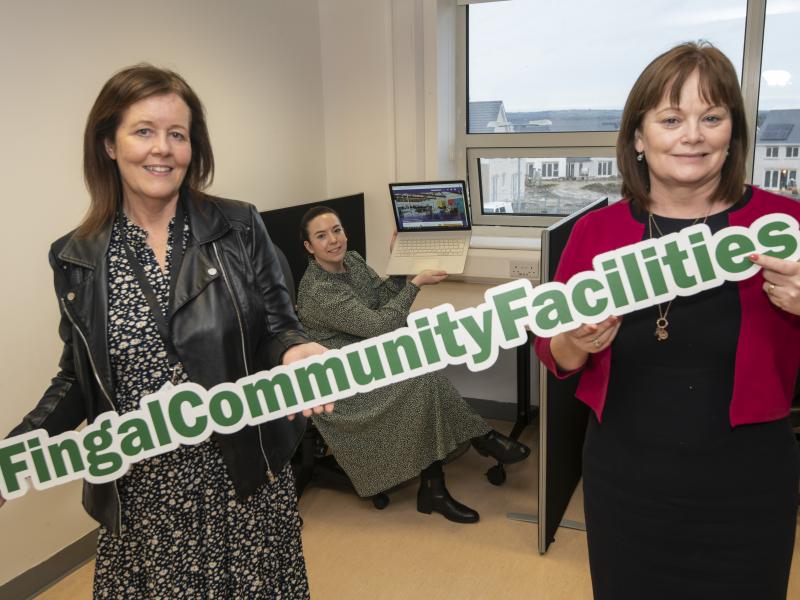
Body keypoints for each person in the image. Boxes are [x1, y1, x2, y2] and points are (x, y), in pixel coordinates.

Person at [0, 64, 331, 598]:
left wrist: (294, 351)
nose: (163, 149)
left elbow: (276, 327)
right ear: (109, 143)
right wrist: (14, 453)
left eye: (177, 134)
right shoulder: (76, 257)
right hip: (143, 496)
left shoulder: (239, 226)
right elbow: (78, 379)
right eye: (144, 131)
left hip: (242, 478)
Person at [535, 42, 800, 600]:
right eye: (672, 118)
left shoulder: (783, 222)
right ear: (638, 136)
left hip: (747, 480)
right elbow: (553, 355)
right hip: (626, 478)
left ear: (733, 133)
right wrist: (576, 342)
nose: (693, 135)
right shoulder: (594, 233)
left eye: (712, 117)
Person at [295, 206, 530, 524]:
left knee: (425, 372)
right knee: (423, 379)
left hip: (370, 358)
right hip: (343, 378)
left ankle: (440, 481)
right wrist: (415, 283)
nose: (333, 240)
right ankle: (480, 442)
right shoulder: (320, 291)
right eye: (321, 236)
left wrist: (399, 267)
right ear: (309, 247)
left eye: (336, 230)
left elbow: (381, 298)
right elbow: (380, 325)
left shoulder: (351, 260)